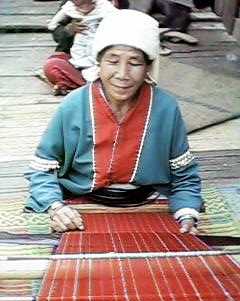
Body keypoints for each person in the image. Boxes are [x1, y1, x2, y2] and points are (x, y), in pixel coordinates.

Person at [25, 9, 203, 234]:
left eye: (135, 63)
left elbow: (184, 174)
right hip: (82, 205)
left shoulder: (165, 108)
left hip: (148, 203)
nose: (122, 74)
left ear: (148, 67)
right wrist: (56, 208)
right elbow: (42, 169)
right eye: (113, 60)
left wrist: (187, 214)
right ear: (98, 62)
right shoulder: (74, 105)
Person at [44, 0, 117, 95]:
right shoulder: (70, 6)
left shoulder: (108, 6)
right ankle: (90, 86)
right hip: (76, 59)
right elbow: (56, 30)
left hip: (105, 59)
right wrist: (68, 30)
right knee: (52, 64)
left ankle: (94, 85)